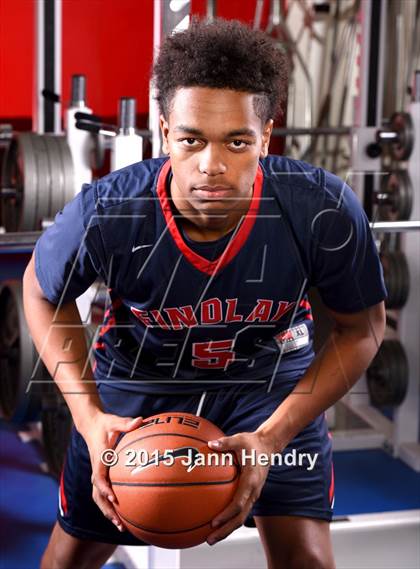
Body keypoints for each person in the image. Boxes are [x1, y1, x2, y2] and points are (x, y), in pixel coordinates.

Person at [23, 18, 386, 569]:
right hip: (140, 382)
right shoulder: (109, 210)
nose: (211, 165)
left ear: (265, 136)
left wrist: (272, 436)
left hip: (269, 383)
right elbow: (40, 292)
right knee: (67, 558)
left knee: (308, 562)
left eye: (237, 142)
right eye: (191, 139)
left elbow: (364, 328)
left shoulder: (321, 209)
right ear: (165, 132)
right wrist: (89, 417)